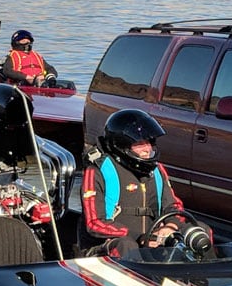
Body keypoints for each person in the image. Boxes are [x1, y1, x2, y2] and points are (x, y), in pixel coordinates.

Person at [79, 109, 208, 258]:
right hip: (107, 246)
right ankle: (133, 278)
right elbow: (94, 223)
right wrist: (141, 237)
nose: (148, 149)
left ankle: (208, 276)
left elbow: (173, 207)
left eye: (150, 142)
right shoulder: (97, 171)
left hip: (152, 241)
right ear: (122, 146)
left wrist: (170, 227)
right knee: (126, 245)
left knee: (200, 231)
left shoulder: (157, 170)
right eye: (140, 144)